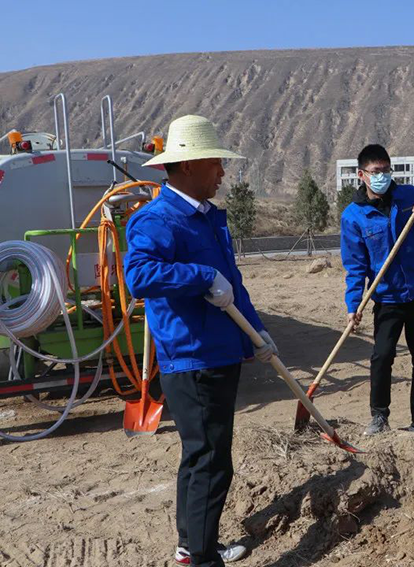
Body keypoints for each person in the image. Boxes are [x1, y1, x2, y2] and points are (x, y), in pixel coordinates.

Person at [125, 115, 278, 566]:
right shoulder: (158, 219)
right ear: (188, 165)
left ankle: (191, 546)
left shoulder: (208, 218)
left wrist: (255, 333)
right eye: (215, 163)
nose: (222, 172)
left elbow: (231, 284)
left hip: (218, 353)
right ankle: (204, 559)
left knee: (200, 457)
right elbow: (140, 276)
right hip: (192, 360)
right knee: (211, 461)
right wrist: (200, 275)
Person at [340, 144, 414, 436]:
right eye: (376, 171)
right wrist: (353, 305)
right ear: (361, 175)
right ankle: (379, 416)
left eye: (386, 170)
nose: (382, 176)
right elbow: (355, 267)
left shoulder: (410, 196)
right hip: (387, 297)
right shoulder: (353, 216)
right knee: (382, 356)